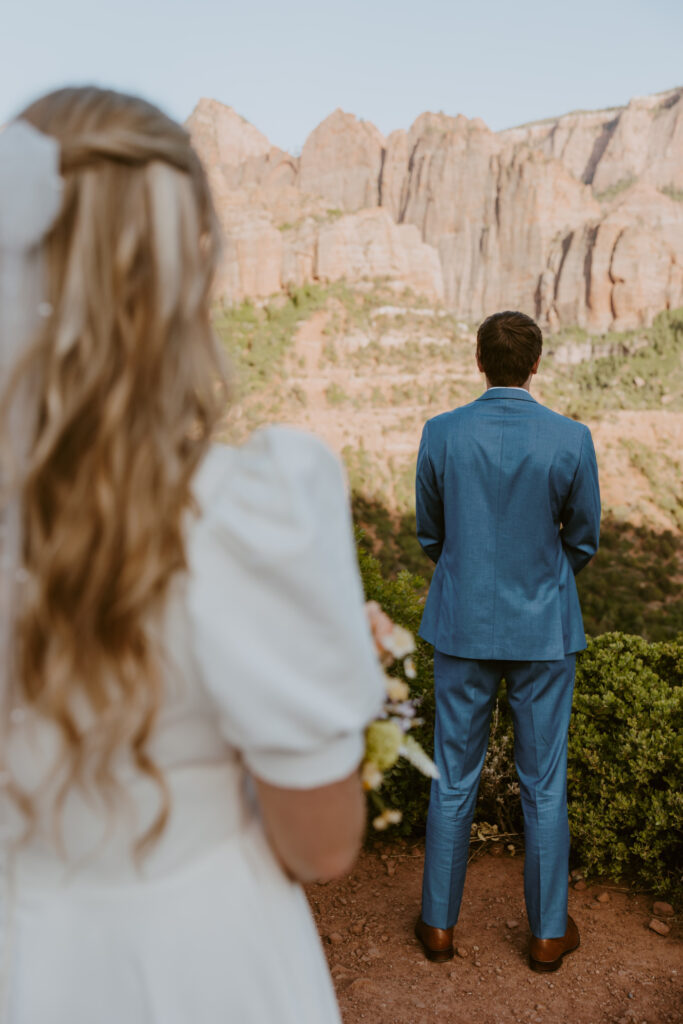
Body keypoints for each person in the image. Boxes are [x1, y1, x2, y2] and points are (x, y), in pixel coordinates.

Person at [0, 87, 386, 1023]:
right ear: (193, 261)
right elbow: (320, 845)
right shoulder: (239, 515)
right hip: (194, 963)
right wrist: (334, 685)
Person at [413, 310, 601, 972]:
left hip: (461, 624)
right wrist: (543, 580)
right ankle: (547, 933)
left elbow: (430, 533)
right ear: (535, 364)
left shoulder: (441, 434)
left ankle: (438, 925)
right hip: (543, 629)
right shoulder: (570, 439)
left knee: (452, 776)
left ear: (478, 361)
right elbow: (582, 538)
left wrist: (470, 574)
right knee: (543, 782)